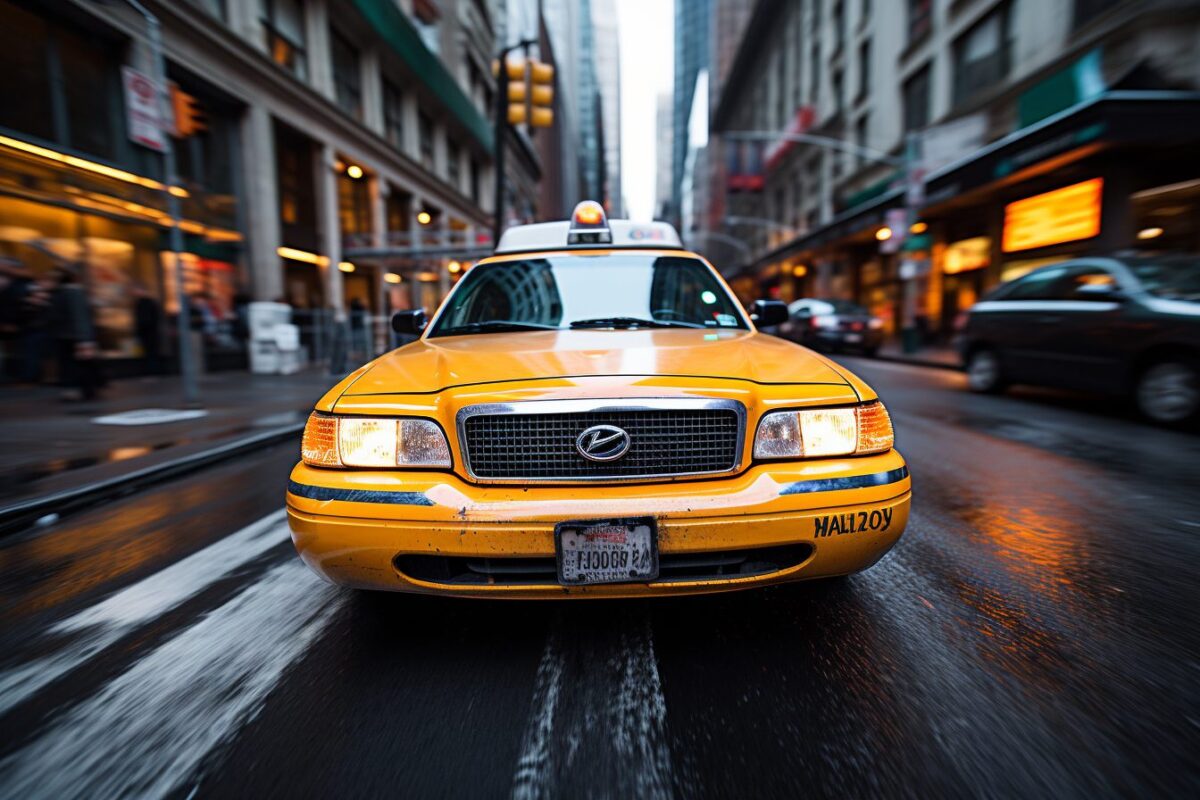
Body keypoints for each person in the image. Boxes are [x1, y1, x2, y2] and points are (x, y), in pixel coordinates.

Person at [51, 267, 101, 401]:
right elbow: (80, 317)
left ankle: (78, 390)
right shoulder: (73, 293)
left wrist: (84, 339)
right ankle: (86, 390)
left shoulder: (63, 293)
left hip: (69, 336)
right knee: (82, 364)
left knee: (75, 364)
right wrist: (86, 339)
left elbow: (77, 317)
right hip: (74, 336)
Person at [132, 283, 162, 375]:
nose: (135, 292)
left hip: (148, 331)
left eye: (136, 290)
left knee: (150, 352)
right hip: (149, 331)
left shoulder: (143, 303)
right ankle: (152, 371)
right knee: (150, 352)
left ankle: (152, 372)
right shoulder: (147, 302)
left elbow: (144, 319)